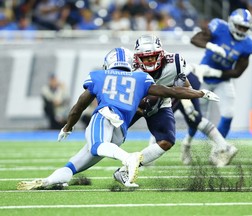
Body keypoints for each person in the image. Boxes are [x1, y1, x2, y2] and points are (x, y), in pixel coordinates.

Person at [17, 47, 219, 190]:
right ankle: (48, 181)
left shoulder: (99, 76)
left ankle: (128, 158)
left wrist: (68, 127)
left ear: (109, 63)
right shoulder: (140, 78)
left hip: (105, 116)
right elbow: (171, 91)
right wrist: (200, 93)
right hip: (120, 130)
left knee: (96, 145)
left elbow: (79, 106)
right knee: (74, 165)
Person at [113, 35, 234, 187]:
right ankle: (73, 169)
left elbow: (185, 86)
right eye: (145, 58)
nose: (150, 61)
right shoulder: (129, 66)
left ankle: (126, 169)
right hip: (133, 102)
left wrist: (191, 97)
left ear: (161, 55)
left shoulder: (174, 64)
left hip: (163, 100)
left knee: (169, 138)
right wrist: (135, 107)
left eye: (153, 57)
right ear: (137, 58)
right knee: (110, 137)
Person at [180, 8, 252, 164]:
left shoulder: (249, 44)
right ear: (231, 23)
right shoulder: (219, 27)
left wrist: (216, 73)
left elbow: (237, 72)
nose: (242, 31)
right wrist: (211, 46)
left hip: (222, 79)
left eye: (245, 28)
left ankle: (217, 151)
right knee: (197, 118)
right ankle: (187, 144)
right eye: (240, 26)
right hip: (202, 78)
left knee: (228, 113)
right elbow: (195, 39)